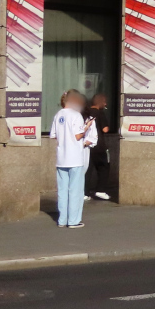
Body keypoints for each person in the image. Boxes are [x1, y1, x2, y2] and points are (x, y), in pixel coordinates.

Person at [51, 91, 90, 228]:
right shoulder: (76, 115)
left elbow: (55, 135)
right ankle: (73, 220)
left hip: (62, 157)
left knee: (62, 190)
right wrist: (87, 127)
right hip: (75, 157)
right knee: (75, 190)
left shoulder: (58, 115)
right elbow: (78, 136)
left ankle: (62, 220)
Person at [86, 93, 111, 200]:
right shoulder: (100, 113)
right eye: (104, 102)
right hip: (99, 145)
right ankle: (100, 190)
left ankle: (84, 192)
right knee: (104, 167)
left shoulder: (85, 112)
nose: (105, 104)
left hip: (87, 145)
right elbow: (105, 129)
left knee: (88, 169)